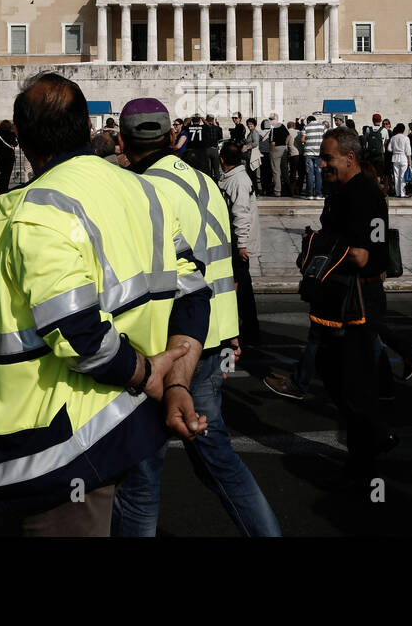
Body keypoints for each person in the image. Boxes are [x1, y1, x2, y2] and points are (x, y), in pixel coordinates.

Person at [0, 73, 197, 534]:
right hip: (134, 424)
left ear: (22, 138)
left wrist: (150, 375)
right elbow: (195, 291)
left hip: (64, 442)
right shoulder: (147, 190)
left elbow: (79, 333)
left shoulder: (39, 209)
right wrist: (178, 383)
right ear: (87, 127)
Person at [111, 103, 279, 537]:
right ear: (172, 138)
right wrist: (233, 331)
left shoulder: (140, 190)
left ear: (123, 143)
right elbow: (225, 267)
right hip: (213, 338)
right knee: (217, 457)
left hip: (167, 344)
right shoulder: (204, 181)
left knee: (139, 478)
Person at [311, 125, 397, 486]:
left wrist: (323, 247)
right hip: (341, 296)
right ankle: (369, 441)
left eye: (327, 158)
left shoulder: (366, 196)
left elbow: (368, 255)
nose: (321, 165)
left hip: (360, 298)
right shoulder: (341, 190)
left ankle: (367, 461)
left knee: (356, 383)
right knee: (331, 369)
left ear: (349, 158)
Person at [218, 141, 262, 347]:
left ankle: (246, 328)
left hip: (237, 243)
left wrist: (242, 244)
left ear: (221, 160)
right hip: (234, 241)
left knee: (241, 286)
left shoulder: (238, 181)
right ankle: (246, 327)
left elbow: (241, 213)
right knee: (242, 285)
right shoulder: (233, 178)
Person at [303, 114, 326, 200]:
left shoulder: (306, 127)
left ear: (308, 121)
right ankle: (318, 194)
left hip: (308, 153)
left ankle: (310, 194)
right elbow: (326, 138)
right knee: (318, 173)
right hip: (319, 153)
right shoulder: (322, 126)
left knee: (309, 173)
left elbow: (302, 139)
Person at [387, 123, 412, 198]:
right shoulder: (406, 138)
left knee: (396, 176)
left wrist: (395, 150)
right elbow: (408, 151)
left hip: (395, 158)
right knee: (402, 176)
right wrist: (410, 162)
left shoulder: (393, 138)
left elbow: (389, 149)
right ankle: (402, 193)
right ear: (404, 130)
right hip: (403, 157)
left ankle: (397, 192)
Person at [0, 119, 17, 193]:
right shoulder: (11, 134)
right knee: (7, 174)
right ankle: (4, 189)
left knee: (2, 172)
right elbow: (15, 143)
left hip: (0, 155)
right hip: (9, 155)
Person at [268, 113, 290, 196]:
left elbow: (272, 143)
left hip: (276, 149)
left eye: (271, 119)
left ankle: (277, 191)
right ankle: (288, 190)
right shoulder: (282, 126)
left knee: (276, 171)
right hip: (283, 149)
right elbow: (288, 136)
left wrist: (270, 151)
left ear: (276, 119)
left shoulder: (273, 129)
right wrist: (285, 145)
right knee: (284, 170)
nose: (270, 121)